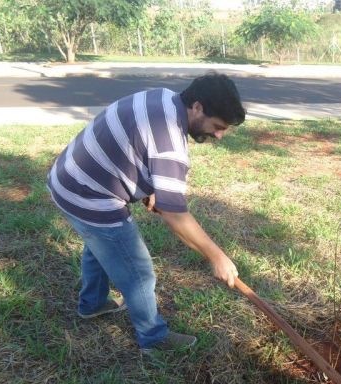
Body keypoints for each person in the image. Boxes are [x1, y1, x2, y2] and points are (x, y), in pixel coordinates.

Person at [47, 73, 246, 353]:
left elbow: (138, 147)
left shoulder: (164, 97)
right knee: (138, 272)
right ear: (197, 107)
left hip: (68, 178)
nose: (219, 134)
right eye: (217, 126)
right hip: (88, 194)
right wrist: (217, 257)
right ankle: (154, 338)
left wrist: (152, 189)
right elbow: (175, 215)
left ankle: (92, 304)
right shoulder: (170, 142)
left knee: (100, 245)